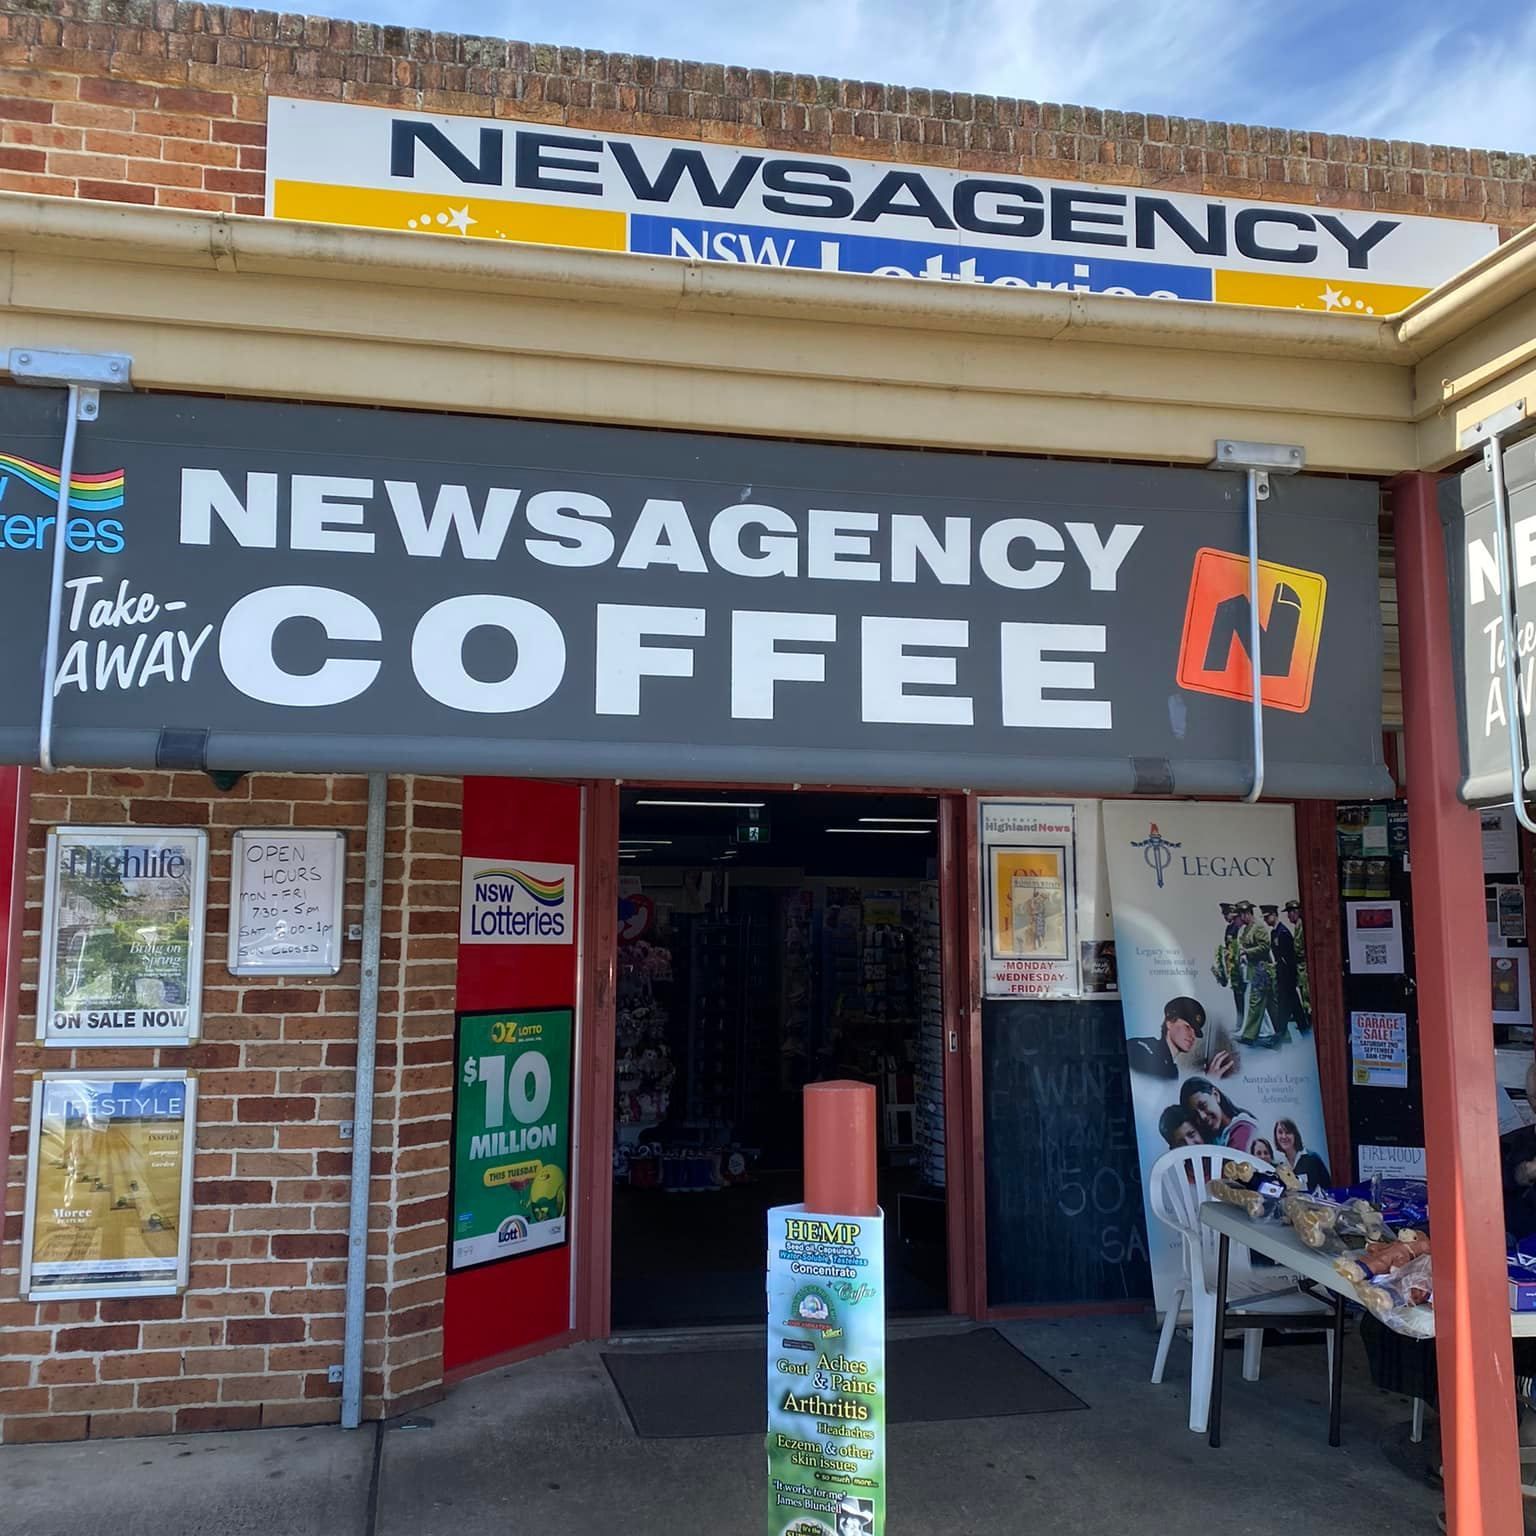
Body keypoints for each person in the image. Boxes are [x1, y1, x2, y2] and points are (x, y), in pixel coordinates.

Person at [1127, 997, 1238, 1080]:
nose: (1192, 1036)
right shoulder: (1140, 1047)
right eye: (1187, 1027)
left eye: (1196, 1032)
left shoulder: (1172, 1071)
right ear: (1169, 1023)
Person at [1234, 900, 1279, 1047]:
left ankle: (1249, 1036)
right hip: (1256, 970)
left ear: (1247, 914)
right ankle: (1281, 1035)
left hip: (1261, 970)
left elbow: (1265, 947)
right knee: (1270, 1005)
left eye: (1242, 915)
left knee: (1256, 1003)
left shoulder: (1258, 927)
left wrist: (1247, 952)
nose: (1241, 918)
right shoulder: (1248, 929)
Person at [1181, 1076, 1259, 1152]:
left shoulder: (1244, 1129)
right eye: (1195, 1115)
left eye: (1203, 1106)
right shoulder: (1214, 1138)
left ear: (1215, 1095)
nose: (1202, 1116)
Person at [1211, 901, 1246, 1027]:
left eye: (1226, 914)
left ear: (1233, 912)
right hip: (1232, 966)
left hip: (1240, 965)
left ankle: (1243, 1023)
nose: (1225, 917)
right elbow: (1227, 947)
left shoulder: (1238, 926)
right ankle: (1240, 1022)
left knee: (1243, 994)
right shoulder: (1229, 928)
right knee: (1237, 994)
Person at [1273, 1117, 1331, 1191]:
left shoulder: (1312, 1158)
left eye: (1288, 1132)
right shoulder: (1279, 1164)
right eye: (1280, 1132)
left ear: (1295, 1135)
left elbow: (1327, 1187)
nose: (1284, 1136)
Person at [1281, 899, 1312, 1031]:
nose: (1288, 916)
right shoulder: (1299, 925)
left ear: (1295, 912)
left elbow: (1299, 948)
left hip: (1303, 965)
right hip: (1301, 965)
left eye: (1289, 913)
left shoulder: (1300, 925)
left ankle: (1310, 1021)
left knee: (1306, 994)